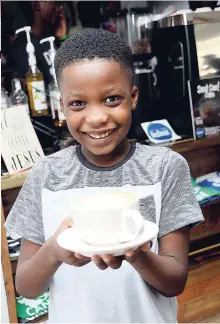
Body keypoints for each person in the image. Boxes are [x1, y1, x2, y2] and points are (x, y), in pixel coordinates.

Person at [5, 29, 204, 323]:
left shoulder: (165, 167)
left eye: (112, 99)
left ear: (133, 97)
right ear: (62, 107)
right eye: (78, 104)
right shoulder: (47, 174)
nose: (97, 117)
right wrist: (55, 250)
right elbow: (27, 287)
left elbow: (175, 281)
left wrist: (136, 252)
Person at [6, 1, 68, 85]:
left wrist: (63, 38)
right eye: (54, 3)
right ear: (38, 5)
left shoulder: (52, 39)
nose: (59, 9)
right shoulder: (23, 46)